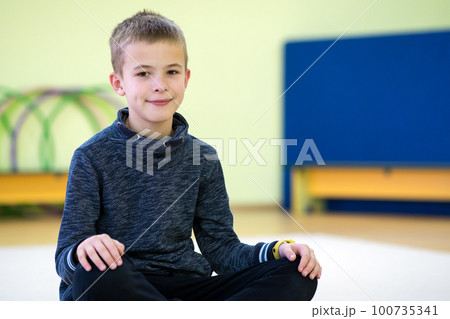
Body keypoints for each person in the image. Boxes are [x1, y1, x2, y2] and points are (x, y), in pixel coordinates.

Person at [55, 9, 321, 301]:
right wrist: (85, 249)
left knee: (297, 272)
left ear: (186, 77)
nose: (160, 84)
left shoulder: (203, 158)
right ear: (119, 83)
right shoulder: (91, 156)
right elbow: (65, 258)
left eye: (172, 71)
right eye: (143, 73)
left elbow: (222, 250)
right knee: (93, 272)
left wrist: (276, 251)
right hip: (121, 280)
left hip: (188, 286)